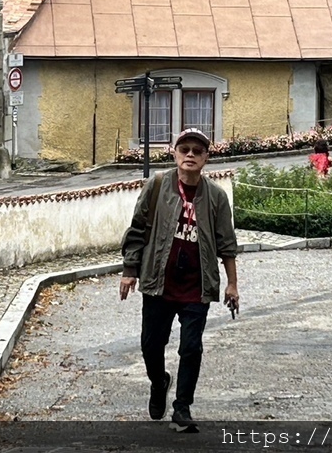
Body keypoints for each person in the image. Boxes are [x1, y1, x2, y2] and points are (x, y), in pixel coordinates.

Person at [119, 128, 239, 433]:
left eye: (197, 151)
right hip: (159, 282)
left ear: (206, 158)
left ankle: (182, 407)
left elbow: (227, 245)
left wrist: (232, 284)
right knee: (150, 345)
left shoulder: (216, 197)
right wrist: (129, 271)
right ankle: (159, 382)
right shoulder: (158, 186)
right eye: (184, 149)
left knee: (191, 348)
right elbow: (137, 230)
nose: (190, 155)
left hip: (196, 287)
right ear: (174, 153)